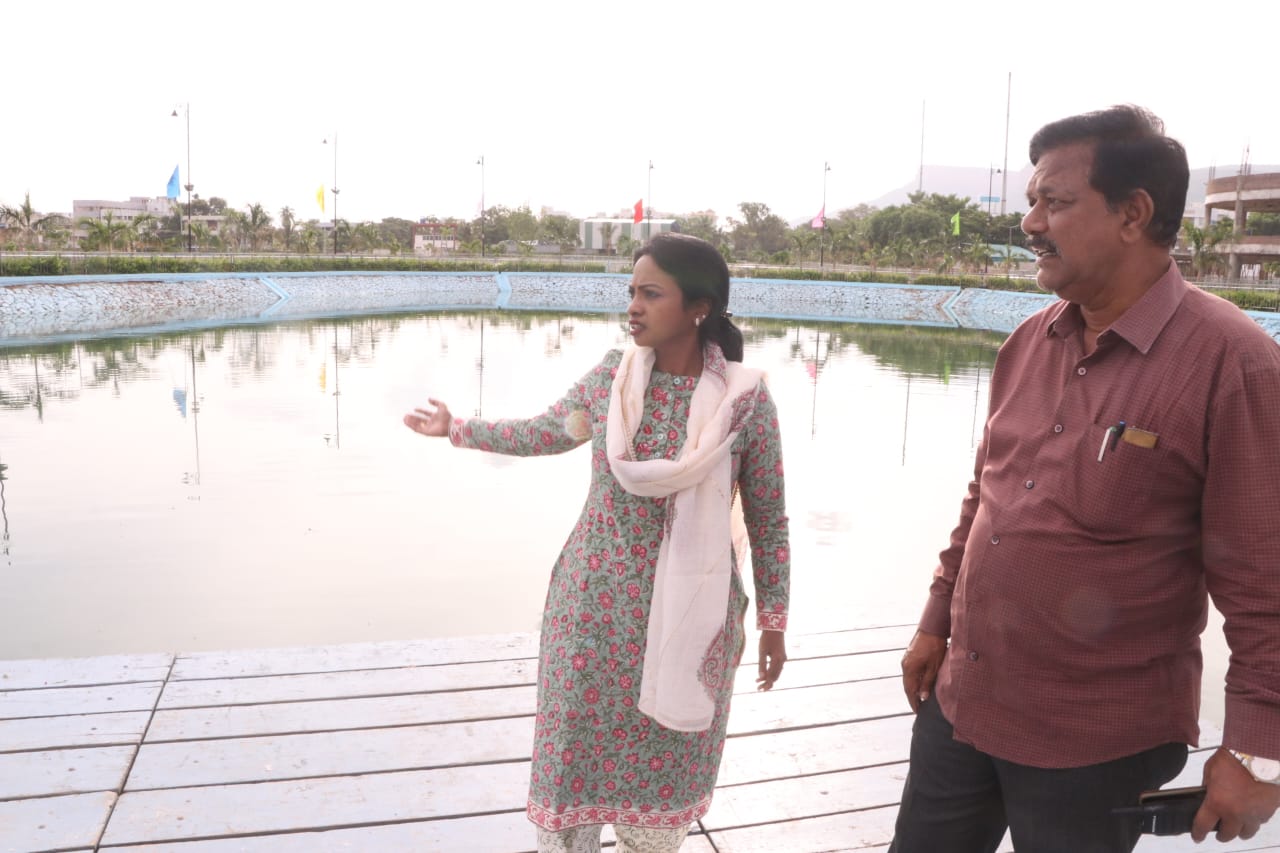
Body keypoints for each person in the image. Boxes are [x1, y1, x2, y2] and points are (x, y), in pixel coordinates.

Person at [890, 105, 1280, 853]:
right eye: (1032, 200)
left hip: (1094, 743)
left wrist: (1258, 751)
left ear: (1134, 213)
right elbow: (985, 497)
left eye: (1055, 201)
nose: (1031, 222)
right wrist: (936, 619)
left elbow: (1266, 579)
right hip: (964, 702)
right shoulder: (1027, 343)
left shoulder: (1232, 363)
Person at [404, 232, 791, 853]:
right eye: (631, 291)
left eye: (651, 294)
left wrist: (773, 623)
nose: (633, 306)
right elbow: (545, 432)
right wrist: (459, 428)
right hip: (593, 617)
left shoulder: (744, 403)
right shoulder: (613, 379)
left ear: (699, 308)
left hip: (692, 623)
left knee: (659, 798)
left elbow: (768, 521)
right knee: (573, 784)